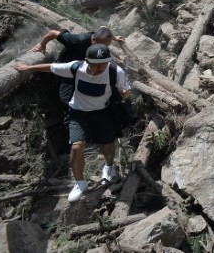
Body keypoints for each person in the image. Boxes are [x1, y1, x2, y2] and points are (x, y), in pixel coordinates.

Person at [13, 44, 130, 202]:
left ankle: (109, 167)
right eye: (94, 65)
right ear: (87, 60)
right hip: (78, 113)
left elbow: (124, 91)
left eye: (102, 65)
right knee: (76, 147)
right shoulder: (76, 67)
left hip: (103, 113)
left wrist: (124, 95)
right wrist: (28, 67)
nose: (97, 69)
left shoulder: (115, 71)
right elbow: (52, 67)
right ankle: (80, 182)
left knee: (107, 145)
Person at [30, 26, 125, 153]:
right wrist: (42, 45)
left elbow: (104, 29)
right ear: (93, 40)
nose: (104, 49)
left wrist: (114, 37)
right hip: (69, 72)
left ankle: (90, 131)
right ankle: (68, 136)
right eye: (103, 45)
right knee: (66, 100)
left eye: (107, 46)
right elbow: (52, 33)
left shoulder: (100, 42)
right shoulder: (77, 40)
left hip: (86, 74)